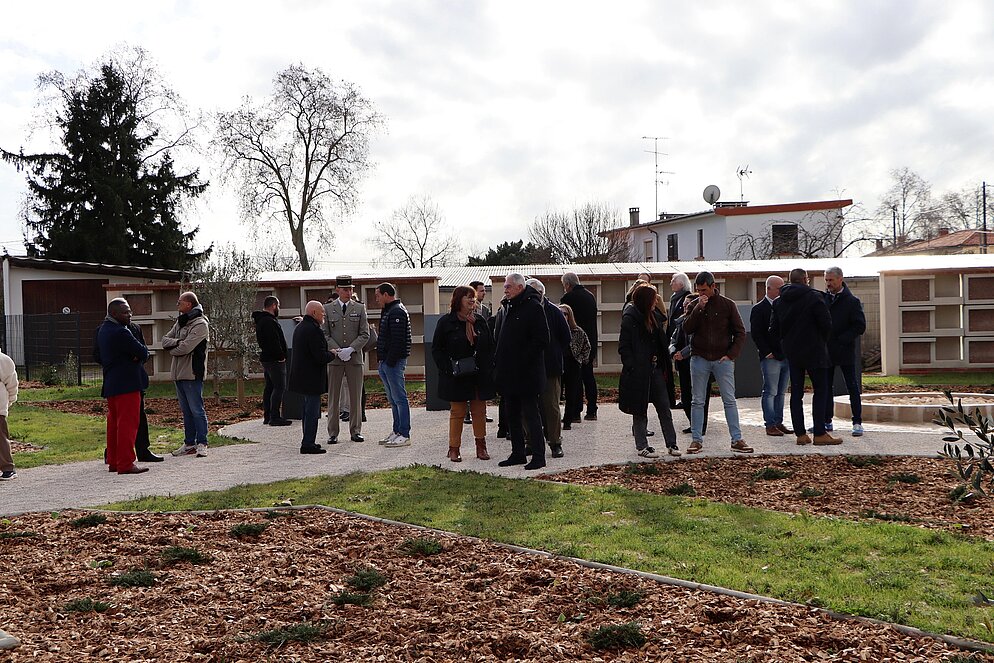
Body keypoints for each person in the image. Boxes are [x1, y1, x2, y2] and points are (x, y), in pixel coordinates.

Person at [770, 269, 842, 446]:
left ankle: (801, 434)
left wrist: (785, 345)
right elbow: (826, 324)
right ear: (804, 279)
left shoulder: (779, 301)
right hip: (815, 351)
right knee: (821, 391)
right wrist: (821, 341)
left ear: (789, 281)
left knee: (796, 393)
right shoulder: (815, 297)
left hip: (793, 353)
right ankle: (819, 433)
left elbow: (774, 329)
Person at [683, 272, 751, 454]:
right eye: (698, 291)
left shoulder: (727, 305)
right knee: (697, 401)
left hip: (722, 359)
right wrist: (698, 308)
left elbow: (740, 332)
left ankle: (736, 439)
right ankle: (696, 440)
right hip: (699, 357)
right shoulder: (694, 305)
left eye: (704, 290)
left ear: (713, 286)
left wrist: (731, 354)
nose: (701, 294)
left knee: (729, 400)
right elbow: (687, 328)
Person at [432, 285, 496, 462]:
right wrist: (448, 368)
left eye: (473, 297)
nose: (471, 300)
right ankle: (454, 448)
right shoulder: (446, 322)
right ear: (458, 299)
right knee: (458, 411)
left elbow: (489, 347)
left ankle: (481, 447)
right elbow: (437, 349)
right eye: (468, 297)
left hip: (477, 374)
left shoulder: (480, 321)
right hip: (456, 375)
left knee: (479, 410)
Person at [495, 273, 550, 470]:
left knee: (531, 415)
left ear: (520, 287)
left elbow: (542, 339)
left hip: (527, 373)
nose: (505, 289)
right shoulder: (509, 305)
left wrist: (522, 359)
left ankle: (538, 456)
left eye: (509, 286)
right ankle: (518, 453)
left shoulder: (533, 307)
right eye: (505, 286)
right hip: (509, 373)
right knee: (512, 415)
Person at [619, 284, 680, 458]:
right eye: (654, 299)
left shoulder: (654, 316)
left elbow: (662, 331)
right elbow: (624, 346)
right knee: (640, 410)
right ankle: (642, 446)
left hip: (655, 369)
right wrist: (632, 366)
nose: (656, 301)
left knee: (664, 407)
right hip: (639, 371)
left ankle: (672, 443)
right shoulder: (630, 318)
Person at [96, 298, 150, 475]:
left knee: (114, 425)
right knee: (128, 424)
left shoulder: (103, 330)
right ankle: (126, 463)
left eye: (129, 311)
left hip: (112, 383)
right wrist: (135, 356)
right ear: (114, 313)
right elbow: (143, 352)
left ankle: (114, 461)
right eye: (125, 312)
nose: (129, 315)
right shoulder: (121, 332)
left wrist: (133, 355)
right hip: (127, 383)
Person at [526, 278, 571, 459]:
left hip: (550, 367)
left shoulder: (553, 311)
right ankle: (530, 441)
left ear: (541, 293)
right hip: (528, 367)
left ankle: (555, 442)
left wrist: (554, 352)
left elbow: (566, 337)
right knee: (528, 406)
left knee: (551, 406)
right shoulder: (523, 311)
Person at [163, 291, 210, 458]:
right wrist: (177, 343)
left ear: (189, 304)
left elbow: (186, 348)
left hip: (191, 373)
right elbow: (164, 340)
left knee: (196, 409)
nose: (177, 305)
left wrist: (174, 348)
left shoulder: (200, 324)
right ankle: (189, 443)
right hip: (178, 373)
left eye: (179, 302)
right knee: (186, 411)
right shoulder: (180, 322)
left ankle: (202, 443)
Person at [323, 276, 369, 444]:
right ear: (338, 290)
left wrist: (351, 349)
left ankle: (355, 431)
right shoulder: (327, 309)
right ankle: (333, 432)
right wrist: (337, 350)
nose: (348, 292)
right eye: (345, 289)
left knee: (355, 396)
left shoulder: (359, 308)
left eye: (350, 289)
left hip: (354, 358)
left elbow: (365, 333)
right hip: (335, 359)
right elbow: (325, 333)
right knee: (334, 397)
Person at [823, 266, 867, 437]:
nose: (828, 284)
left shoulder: (852, 301)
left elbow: (860, 326)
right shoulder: (823, 299)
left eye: (831, 280)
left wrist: (842, 339)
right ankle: (826, 421)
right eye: (826, 280)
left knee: (852, 386)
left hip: (845, 351)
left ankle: (857, 422)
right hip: (827, 351)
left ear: (840, 279)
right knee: (825, 387)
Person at [289, 301, 334, 454]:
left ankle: (308, 440)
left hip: (302, 377)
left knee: (307, 411)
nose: (324, 315)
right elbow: (320, 356)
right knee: (312, 412)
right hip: (312, 378)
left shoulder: (300, 327)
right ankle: (308, 443)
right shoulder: (314, 330)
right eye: (322, 312)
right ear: (314, 313)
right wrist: (333, 354)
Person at [751, 275, 791, 437]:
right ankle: (770, 424)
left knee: (781, 392)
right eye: (779, 288)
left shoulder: (784, 307)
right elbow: (757, 333)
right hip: (770, 358)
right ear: (769, 289)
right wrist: (767, 352)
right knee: (770, 391)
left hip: (785, 356)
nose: (782, 291)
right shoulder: (759, 309)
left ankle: (778, 421)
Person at [669, 294, 714, 436]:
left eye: (687, 303)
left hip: (697, 361)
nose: (684, 306)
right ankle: (694, 423)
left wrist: (683, 353)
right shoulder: (680, 321)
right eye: (684, 303)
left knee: (701, 397)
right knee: (686, 397)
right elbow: (673, 339)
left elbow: (696, 342)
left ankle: (700, 426)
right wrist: (673, 352)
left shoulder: (702, 321)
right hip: (682, 364)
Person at [376, 282, 413, 447]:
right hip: (386, 361)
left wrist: (389, 362)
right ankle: (397, 431)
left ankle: (404, 433)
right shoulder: (388, 310)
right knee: (393, 399)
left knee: (399, 398)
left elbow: (398, 340)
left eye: (377, 295)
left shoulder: (397, 311)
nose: (376, 299)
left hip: (393, 362)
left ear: (386, 294)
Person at [560, 271, 598, 421]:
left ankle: (575, 412)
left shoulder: (568, 298)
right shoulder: (590, 296)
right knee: (588, 376)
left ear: (568, 285)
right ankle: (592, 410)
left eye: (564, 285)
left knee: (574, 379)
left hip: (574, 344)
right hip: (590, 342)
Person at [253, 296, 291, 427]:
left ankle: (267, 415)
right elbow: (273, 341)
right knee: (279, 387)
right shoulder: (269, 322)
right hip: (274, 360)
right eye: (278, 306)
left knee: (269, 387)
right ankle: (275, 416)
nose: (278, 308)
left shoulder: (261, 320)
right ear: (273, 305)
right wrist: (281, 356)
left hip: (267, 359)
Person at [667, 272, 693, 430]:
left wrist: (681, 352)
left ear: (681, 284)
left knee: (690, 387)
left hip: (688, 350)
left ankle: (696, 422)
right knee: (683, 382)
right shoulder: (674, 298)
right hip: (678, 345)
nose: (671, 283)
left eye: (673, 281)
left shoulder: (688, 298)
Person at [559, 303, 589, 432]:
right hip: (557, 364)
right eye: (560, 313)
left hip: (573, 364)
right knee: (555, 394)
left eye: (565, 313)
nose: (562, 316)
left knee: (572, 394)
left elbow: (587, 347)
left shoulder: (578, 331)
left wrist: (581, 360)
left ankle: (568, 420)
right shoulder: (553, 330)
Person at [0, 349, 19, 481]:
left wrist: (10, 400)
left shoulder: (4, 361)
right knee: (1, 437)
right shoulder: (4, 360)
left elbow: (12, 385)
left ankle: (8, 468)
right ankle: (7, 468)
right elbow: (12, 385)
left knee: (1, 437)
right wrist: (10, 400)